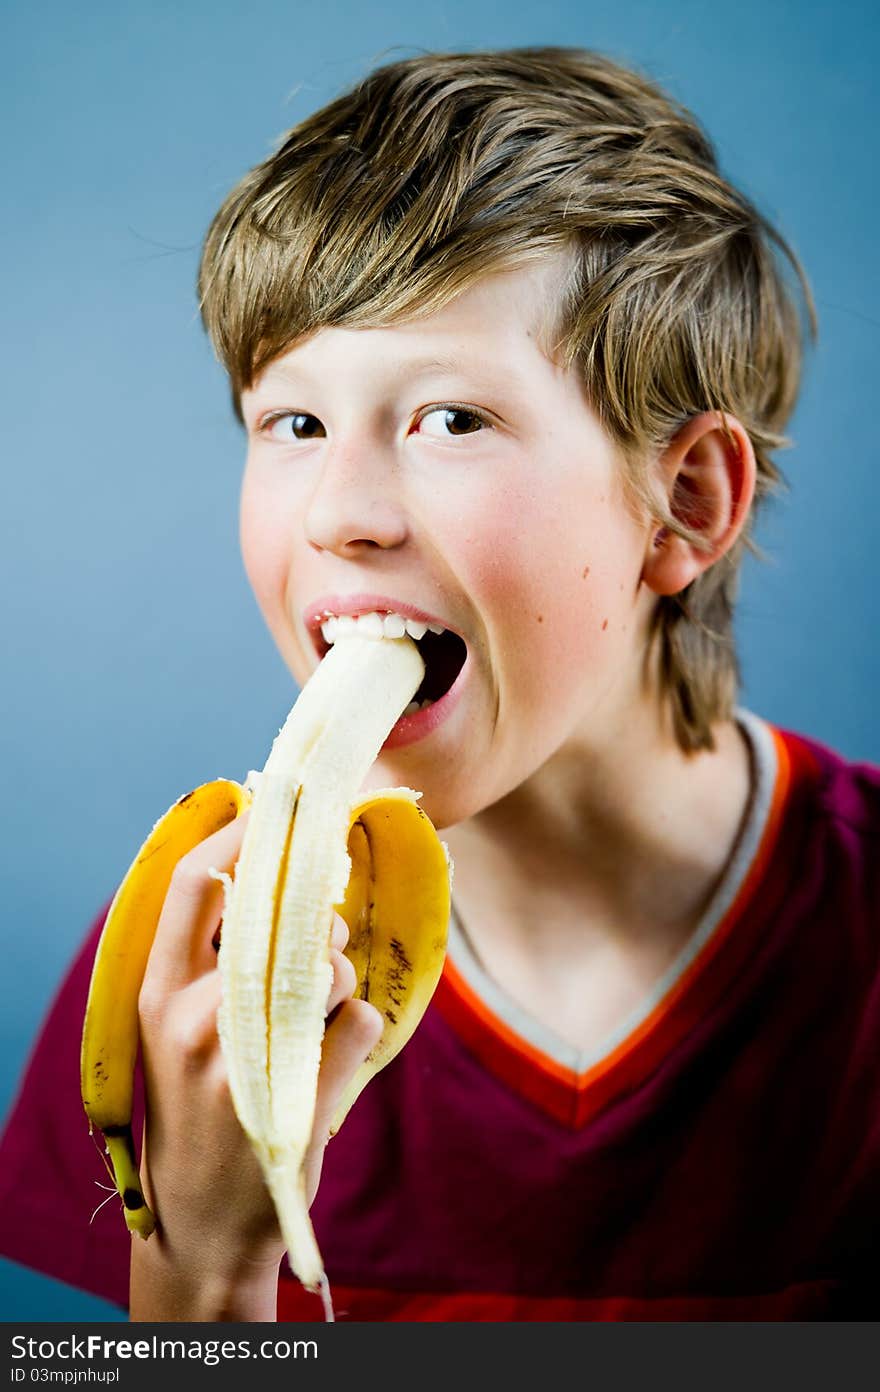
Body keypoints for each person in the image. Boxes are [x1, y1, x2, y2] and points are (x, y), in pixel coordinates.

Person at [1, 46, 878, 1323]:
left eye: (449, 420)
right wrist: (200, 1273)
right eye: (292, 423)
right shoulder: (174, 979)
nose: (339, 514)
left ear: (683, 503)